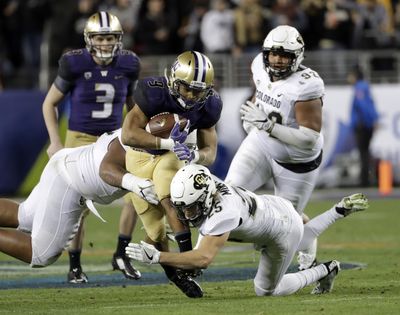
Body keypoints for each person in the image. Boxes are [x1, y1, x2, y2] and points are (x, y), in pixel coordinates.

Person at [126, 164, 369, 297]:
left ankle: (325, 269)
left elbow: (203, 259)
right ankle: (337, 211)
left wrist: (158, 257)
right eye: (184, 209)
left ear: (208, 198)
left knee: (265, 290)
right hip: (275, 206)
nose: (187, 215)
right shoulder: (206, 184)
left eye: (191, 209)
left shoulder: (224, 213)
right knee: (303, 237)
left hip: (281, 230)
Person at [42, 11, 141, 283]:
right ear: (89, 39)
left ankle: (121, 253)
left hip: (114, 138)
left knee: (139, 191)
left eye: (110, 37)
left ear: (118, 39)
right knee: (78, 204)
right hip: (81, 139)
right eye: (100, 37)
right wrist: (55, 141)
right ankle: (74, 265)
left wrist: (139, 135)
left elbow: (132, 106)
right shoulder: (73, 63)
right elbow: (49, 103)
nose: (106, 43)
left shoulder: (129, 63)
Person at [120, 50, 223, 296]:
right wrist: (168, 143)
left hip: (171, 158)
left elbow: (211, 150)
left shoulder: (209, 105)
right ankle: (175, 274)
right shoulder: (153, 91)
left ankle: (187, 256)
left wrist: (196, 156)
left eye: (198, 91)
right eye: (186, 88)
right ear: (173, 80)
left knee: (171, 198)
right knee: (155, 232)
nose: (190, 96)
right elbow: (128, 134)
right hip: (139, 156)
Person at [225, 25, 324, 271]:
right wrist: (255, 118)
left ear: (297, 56)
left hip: (297, 161)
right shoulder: (259, 65)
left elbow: (309, 137)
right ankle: (196, 261)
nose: (277, 60)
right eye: (273, 54)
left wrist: (269, 126)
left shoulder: (306, 84)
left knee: (284, 226)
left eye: (285, 55)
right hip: (262, 143)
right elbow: (263, 93)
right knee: (227, 197)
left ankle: (307, 246)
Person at [0, 130, 157, 272]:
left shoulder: (146, 120)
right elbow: (107, 169)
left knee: (25, 216)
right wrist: (133, 183)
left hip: (69, 163)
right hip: (70, 182)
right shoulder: (148, 132)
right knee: (42, 254)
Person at [347, 65, 379, 187]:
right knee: (365, 152)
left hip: (362, 125)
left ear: (355, 76)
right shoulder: (364, 87)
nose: (348, 78)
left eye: (350, 75)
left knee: (363, 152)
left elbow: (363, 106)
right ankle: (367, 178)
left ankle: (364, 180)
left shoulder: (359, 88)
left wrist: (368, 122)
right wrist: (374, 120)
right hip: (366, 124)